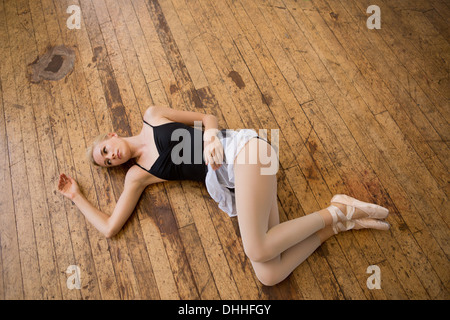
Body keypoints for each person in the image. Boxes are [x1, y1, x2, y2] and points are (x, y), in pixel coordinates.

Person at [58, 106, 390, 286]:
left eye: (105, 150)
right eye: (107, 161)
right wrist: (76, 196)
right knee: (269, 274)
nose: (111, 156)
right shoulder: (137, 176)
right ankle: (337, 225)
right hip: (237, 182)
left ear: (111, 135)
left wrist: (212, 138)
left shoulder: (152, 116)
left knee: (255, 247)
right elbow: (109, 227)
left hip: (242, 151)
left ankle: (339, 210)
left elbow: (206, 116)